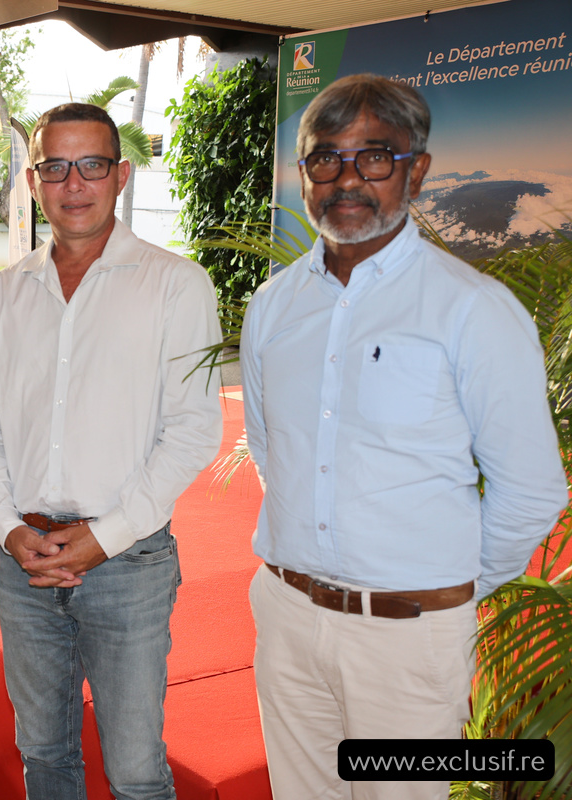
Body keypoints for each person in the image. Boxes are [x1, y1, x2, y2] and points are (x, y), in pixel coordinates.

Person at [240, 73, 568, 800]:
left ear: (416, 169)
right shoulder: (274, 304)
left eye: (375, 157)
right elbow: (272, 449)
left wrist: (441, 592)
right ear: (303, 176)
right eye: (326, 158)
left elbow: (530, 489)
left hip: (409, 636)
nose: (348, 178)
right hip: (289, 617)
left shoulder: (473, 309)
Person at [0, 102, 223, 799]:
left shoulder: (174, 284)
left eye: (92, 165)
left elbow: (193, 428)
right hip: (25, 562)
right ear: (34, 179)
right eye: (55, 167)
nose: (74, 184)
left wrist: (103, 538)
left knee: (135, 771)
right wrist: (10, 529)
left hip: (129, 564)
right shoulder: (5, 295)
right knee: (43, 755)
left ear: (122, 174)